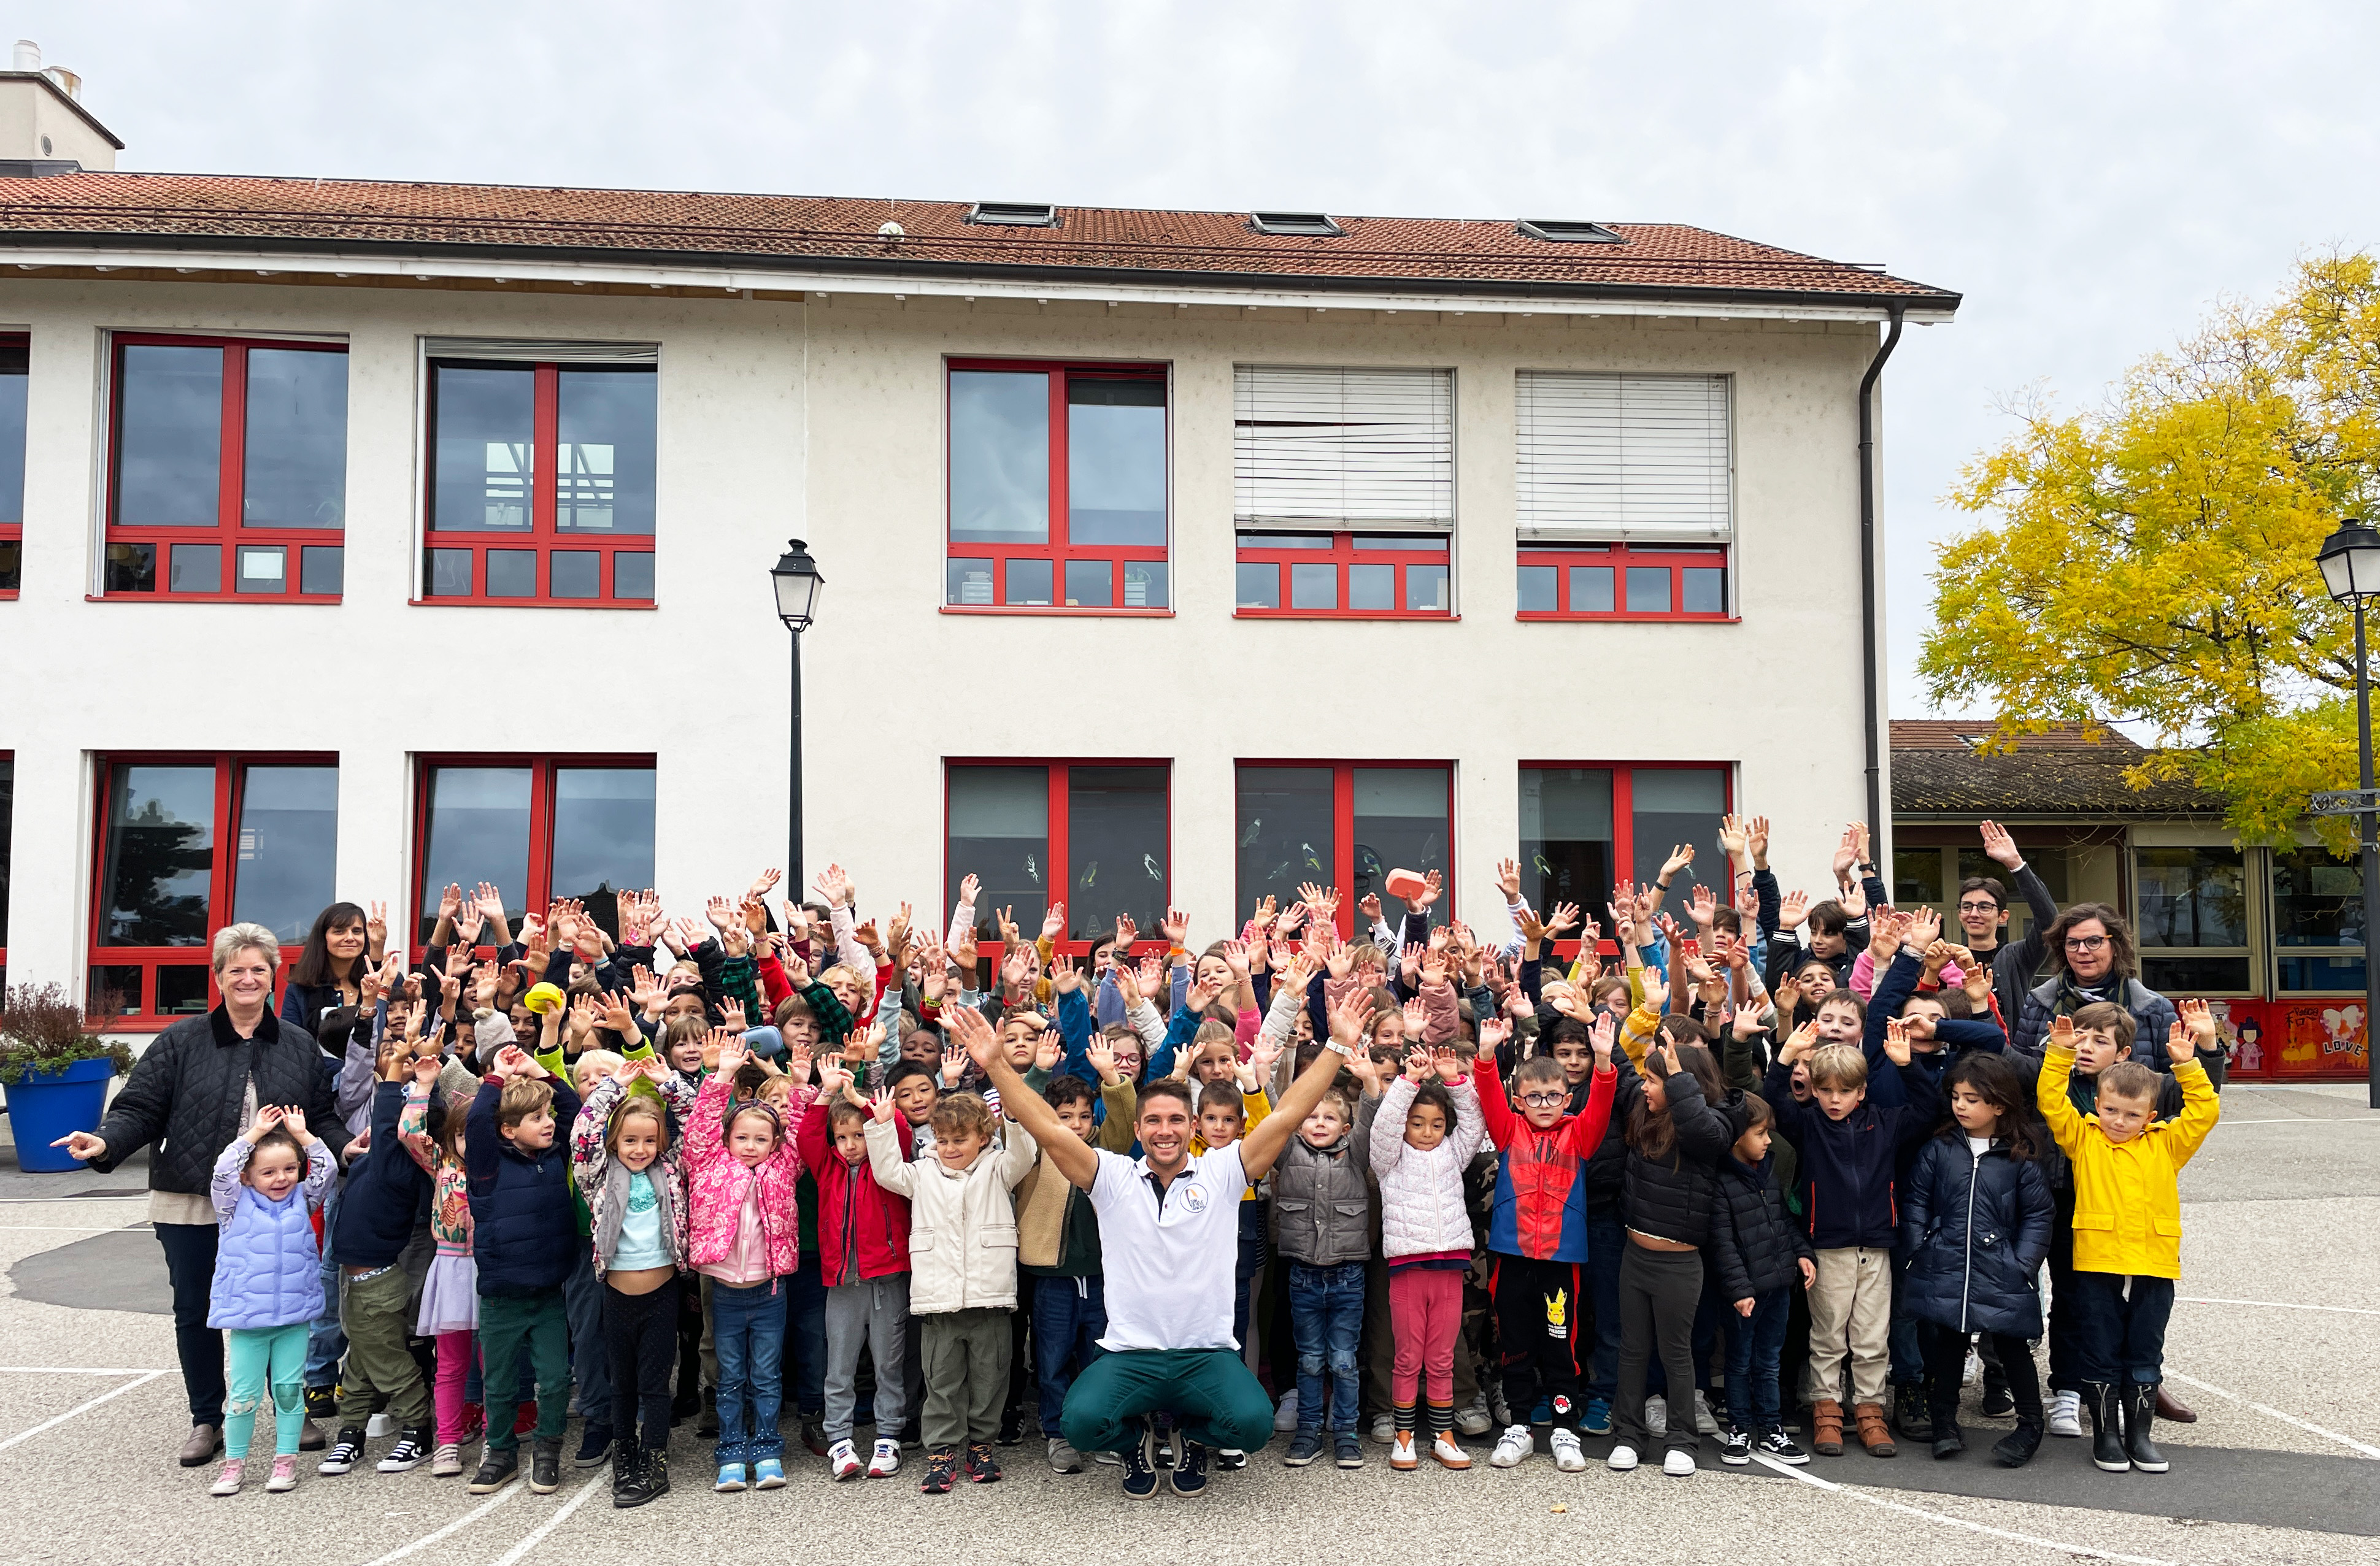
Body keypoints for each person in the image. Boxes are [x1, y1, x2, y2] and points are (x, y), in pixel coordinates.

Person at [971, 967, 1357, 1499]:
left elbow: (1288, 1115)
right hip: (1132, 1353)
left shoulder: (1223, 1172)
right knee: (1080, 1423)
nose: (1165, 1130)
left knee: (1253, 1424)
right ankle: (1134, 1445)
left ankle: (1194, 1440)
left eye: (1176, 1119)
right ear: (1137, 1130)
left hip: (1205, 1352)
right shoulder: (1112, 1176)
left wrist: (1337, 1044)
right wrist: (995, 1065)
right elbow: (1047, 1127)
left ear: (1192, 1126)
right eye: (1153, 1121)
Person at [52, 923, 351, 1468]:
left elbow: (322, 1115)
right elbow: (139, 1108)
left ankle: (289, 1411)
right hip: (190, 1196)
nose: (248, 977)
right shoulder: (180, 1040)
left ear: (272, 977)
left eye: (258, 968)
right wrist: (104, 1140)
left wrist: (345, 1148)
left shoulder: (297, 1043)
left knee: (277, 1307)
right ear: (218, 977)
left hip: (272, 1203)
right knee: (196, 1309)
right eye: (236, 968)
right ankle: (207, 1419)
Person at [2036, 1005, 2221, 1474]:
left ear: (2150, 1114)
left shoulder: (2166, 1143)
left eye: (2131, 1113)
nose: (2119, 1121)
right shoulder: (2084, 1139)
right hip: (2098, 1260)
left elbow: (2204, 1111)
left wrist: (2187, 1063)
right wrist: (2058, 1055)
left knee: (2144, 1348)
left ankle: (2140, 1434)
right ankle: (2106, 1437)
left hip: (2153, 1262)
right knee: (2098, 1347)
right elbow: (2050, 1101)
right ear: (2097, 1106)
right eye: (2111, 1110)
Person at [1764, 1018, 1938, 1460]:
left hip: (1877, 1245)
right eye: (1826, 1090)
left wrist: (1907, 1065)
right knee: (1827, 1335)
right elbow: (1770, 1103)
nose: (1835, 1099)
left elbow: (1929, 1108)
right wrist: (1784, 1059)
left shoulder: (1885, 1122)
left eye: (1845, 1091)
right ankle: (1826, 1409)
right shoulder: (1807, 1125)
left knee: (1871, 1336)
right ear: (1816, 1090)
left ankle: (1869, 1409)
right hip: (1828, 1246)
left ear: (1861, 1091)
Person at [864, 1075, 1038, 1494]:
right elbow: (887, 1171)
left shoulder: (998, 1168)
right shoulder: (922, 1173)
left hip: (989, 1297)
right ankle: (941, 1451)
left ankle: (982, 1445)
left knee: (989, 1377)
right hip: (939, 1300)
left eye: (960, 1139)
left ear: (983, 1137)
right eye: (943, 1139)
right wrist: (884, 1125)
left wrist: (1012, 1117)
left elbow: (1025, 1154)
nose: (950, 1147)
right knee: (940, 1380)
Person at [1472, 1002, 1620, 1474]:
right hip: (1511, 1255)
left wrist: (1602, 1061)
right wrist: (1485, 1053)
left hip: (1561, 1258)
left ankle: (1563, 1428)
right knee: (1514, 1340)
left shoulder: (1580, 1134)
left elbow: (1602, 1101)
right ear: (1519, 1099)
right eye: (1533, 1097)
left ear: (1565, 1098)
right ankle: (1518, 1424)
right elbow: (1487, 1091)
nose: (1543, 1105)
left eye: (1552, 1096)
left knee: (1561, 1343)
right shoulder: (1507, 1128)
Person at [1900, 1052, 2052, 1467]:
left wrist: (2022, 1264)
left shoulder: (2019, 1155)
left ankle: (2029, 1423)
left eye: (1972, 1098)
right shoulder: (1938, 1149)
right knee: (1948, 1342)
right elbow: (1914, 1200)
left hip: (2001, 1268)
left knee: (2011, 1344)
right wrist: (1919, 1247)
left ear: (1999, 1104)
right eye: (1956, 1096)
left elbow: (2038, 1215)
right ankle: (1945, 1421)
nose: (1960, 1105)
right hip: (1944, 1262)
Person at [1604, 1030, 1738, 1477]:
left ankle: (1682, 1440)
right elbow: (1625, 1077)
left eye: (1655, 1080)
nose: (1645, 1087)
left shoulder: (1713, 1123)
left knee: (1675, 1352)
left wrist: (1678, 1074)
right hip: (1633, 1256)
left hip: (1680, 1264)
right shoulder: (1642, 1110)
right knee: (1632, 1349)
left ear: (1685, 1084)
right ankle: (1628, 1434)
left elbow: (1704, 1131)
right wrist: (1610, 1047)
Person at [571, 1057, 698, 1508]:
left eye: (649, 1139)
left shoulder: (675, 1169)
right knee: (621, 1383)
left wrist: (667, 1083)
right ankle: (624, 1452)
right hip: (617, 1295)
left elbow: (696, 1121)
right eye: (629, 1140)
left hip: (663, 1295)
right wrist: (611, 1086)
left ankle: (655, 1458)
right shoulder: (600, 1174)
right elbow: (582, 1135)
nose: (640, 1148)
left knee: (654, 1382)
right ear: (615, 1141)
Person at [685, 1032, 807, 1494]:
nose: (752, 1145)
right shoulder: (709, 1162)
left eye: (762, 1138)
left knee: (766, 1373)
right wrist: (721, 1076)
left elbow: (799, 1129)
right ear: (727, 1138)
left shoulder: (783, 1165)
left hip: (769, 1289)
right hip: (725, 1291)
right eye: (742, 1137)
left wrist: (794, 1083)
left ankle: (768, 1446)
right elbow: (699, 1128)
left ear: (775, 1142)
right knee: (731, 1374)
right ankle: (732, 1450)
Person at [463, 1043, 585, 1496]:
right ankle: (499, 1452)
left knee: (553, 1378)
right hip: (501, 1296)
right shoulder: (488, 1165)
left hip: (549, 1293)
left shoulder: (556, 1155)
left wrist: (540, 1072)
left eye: (546, 1114)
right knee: (499, 1381)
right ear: (508, 1129)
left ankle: (548, 1449)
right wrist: (496, 1077)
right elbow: (477, 1122)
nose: (549, 1121)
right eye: (536, 1117)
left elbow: (576, 1110)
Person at [318, 1031, 439, 1480]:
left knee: (386, 1358)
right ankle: (351, 1431)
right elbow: (383, 1120)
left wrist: (400, 1068)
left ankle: (417, 1425)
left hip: (377, 1282)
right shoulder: (375, 1157)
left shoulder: (399, 1162)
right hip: (355, 1280)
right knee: (360, 1358)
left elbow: (390, 1110)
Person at [203, 1104, 337, 1496]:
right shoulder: (232, 1204)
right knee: (243, 1396)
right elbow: (221, 1171)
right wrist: (253, 1135)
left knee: (289, 1391)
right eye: (268, 1171)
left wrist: (304, 1136)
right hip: (249, 1323)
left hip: (294, 1319)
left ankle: (285, 1461)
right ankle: (234, 1465)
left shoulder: (304, 1200)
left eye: (290, 1169)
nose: (281, 1178)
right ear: (247, 1176)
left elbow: (326, 1168)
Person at [1368, 1034, 1488, 1472]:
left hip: (1450, 1263)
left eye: (1436, 1124)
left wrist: (1455, 1081)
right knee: (1407, 1354)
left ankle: (1442, 1434)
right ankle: (1403, 1437)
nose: (1426, 1132)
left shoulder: (1453, 1154)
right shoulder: (1390, 1157)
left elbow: (1474, 1124)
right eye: (1417, 1123)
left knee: (1439, 1355)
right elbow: (1382, 1127)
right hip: (1406, 1266)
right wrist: (1407, 1082)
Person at [799, 1059, 916, 1483]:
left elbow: (897, 1132)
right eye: (842, 1137)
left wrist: (863, 1103)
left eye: (858, 1136)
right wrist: (826, 1094)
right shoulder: (827, 1167)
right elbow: (808, 1136)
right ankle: (840, 1439)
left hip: (886, 1281)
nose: (850, 1144)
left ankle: (888, 1435)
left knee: (889, 1363)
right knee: (840, 1366)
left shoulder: (885, 1166)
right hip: (842, 1283)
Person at [1271, 1065, 1377, 1472]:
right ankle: (1309, 1429)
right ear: (1299, 1126)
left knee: (1344, 1359)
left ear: (1345, 1126)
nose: (1319, 1123)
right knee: (1311, 1359)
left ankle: (1347, 1432)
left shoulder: (1355, 1151)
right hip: (1303, 1275)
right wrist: (1259, 1078)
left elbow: (1370, 1119)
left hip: (1348, 1275)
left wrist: (1369, 1082)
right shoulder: (1289, 1151)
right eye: (1311, 1117)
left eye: (1329, 1117)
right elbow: (1272, 1117)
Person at [1707, 1093, 1815, 1467]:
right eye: (1760, 1133)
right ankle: (1739, 1429)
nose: (1769, 1140)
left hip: (1779, 1286)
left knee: (1769, 1361)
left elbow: (1783, 1220)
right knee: (1739, 1361)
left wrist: (1802, 1253)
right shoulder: (1720, 1182)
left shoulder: (1768, 1169)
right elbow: (1722, 1242)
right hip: (1745, 1294)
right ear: (1737, 1137)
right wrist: (1739, 1290)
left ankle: (1771, 1430)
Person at [396, 1053, 480, 1479]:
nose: (471, 1142)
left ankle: (493, 1433)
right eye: (464, 1134)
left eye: (479, 1133)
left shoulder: (501, 1165)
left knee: (495, 1359)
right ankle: (447, 1441)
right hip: (451, 1269)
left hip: (490, 1269)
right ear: (451, 1137)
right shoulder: (442, 1163)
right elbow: (409, 1132)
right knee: (450, 1362)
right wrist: (424, 1086)